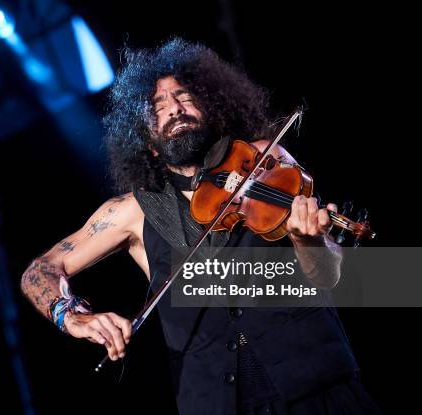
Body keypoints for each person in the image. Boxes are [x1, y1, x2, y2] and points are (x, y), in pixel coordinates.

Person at [20, 38, 381, 415]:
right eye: (157, 107)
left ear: (212, 104)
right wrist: (72, 314)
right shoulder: (130, 212)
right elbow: (40, 271)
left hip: (317, 390)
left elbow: (326, 276)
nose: (174, 109)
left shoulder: (263, 158)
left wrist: (311, 242)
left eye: (185, 96)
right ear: (145, 137)